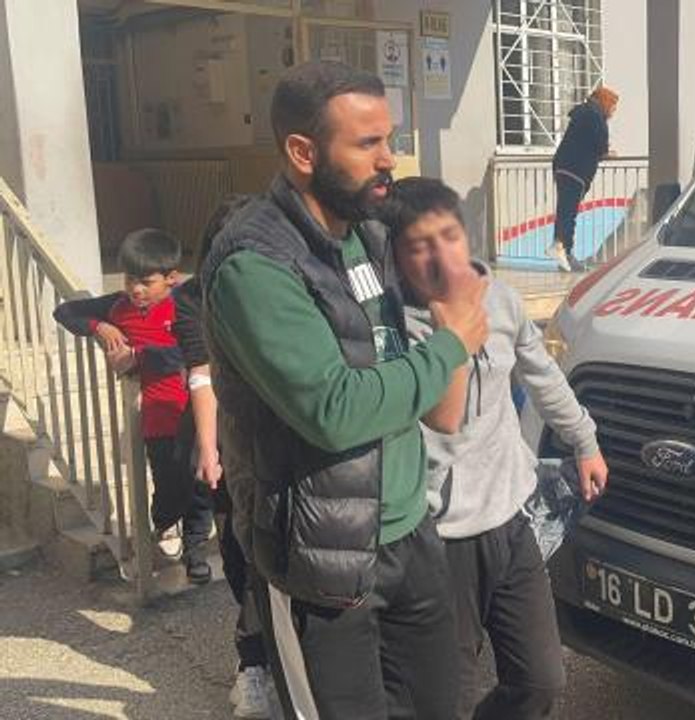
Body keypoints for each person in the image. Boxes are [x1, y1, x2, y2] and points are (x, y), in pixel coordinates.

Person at [201, 60, 488, 720]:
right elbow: (334, 410)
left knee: (440, 705)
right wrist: (451, 346)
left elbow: (404, 353)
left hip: (409, 530)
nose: (390, 159)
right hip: (322, 560)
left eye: (391, 138)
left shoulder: (367, 231)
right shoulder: (255, 266)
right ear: (303, 153)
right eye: (368, 143)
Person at [385, 176, 609, 720]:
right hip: (439, 539)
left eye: (450, 236)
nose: (442, 257)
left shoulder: (502, 300)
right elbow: (445, 421)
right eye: (420, 245)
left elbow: (544, 376)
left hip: (510, 521)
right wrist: (454, 335)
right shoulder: (392, 329)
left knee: (541, 681)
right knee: (445, 699)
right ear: (394, 256)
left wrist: (585, 440)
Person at [53, 229, 214, 584]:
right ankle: (164, 522)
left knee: (199, 487)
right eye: (130, 280)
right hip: (156, 417)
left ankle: (196, 550)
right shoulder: (118, 306)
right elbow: (64, 311)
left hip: (194, 413)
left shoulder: (185, 304)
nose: (136, 289)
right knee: (169, 483)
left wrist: (138, 356)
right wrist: (100, 326)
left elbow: (183, 354)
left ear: (171, 278)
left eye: (146, 282)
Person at [172, 194, 278, 719]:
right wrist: (211, 447)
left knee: (266, 558)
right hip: (227, 441)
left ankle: (259, 660)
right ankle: (255, 663)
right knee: (239, 555)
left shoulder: (284, 284)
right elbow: (202, 374)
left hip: (280, 442)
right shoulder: (195, 298)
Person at [550, 85, 618, 273]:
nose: (612, 113)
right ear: (605, 102)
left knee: (564, 212)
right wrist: (608, 153)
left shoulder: (583, 113)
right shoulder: (596, 116)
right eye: (612, 107)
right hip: (576, 170)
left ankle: (561, 253)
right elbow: (601, 146)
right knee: (568, 214)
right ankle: (565, 254)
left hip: (563, 166)